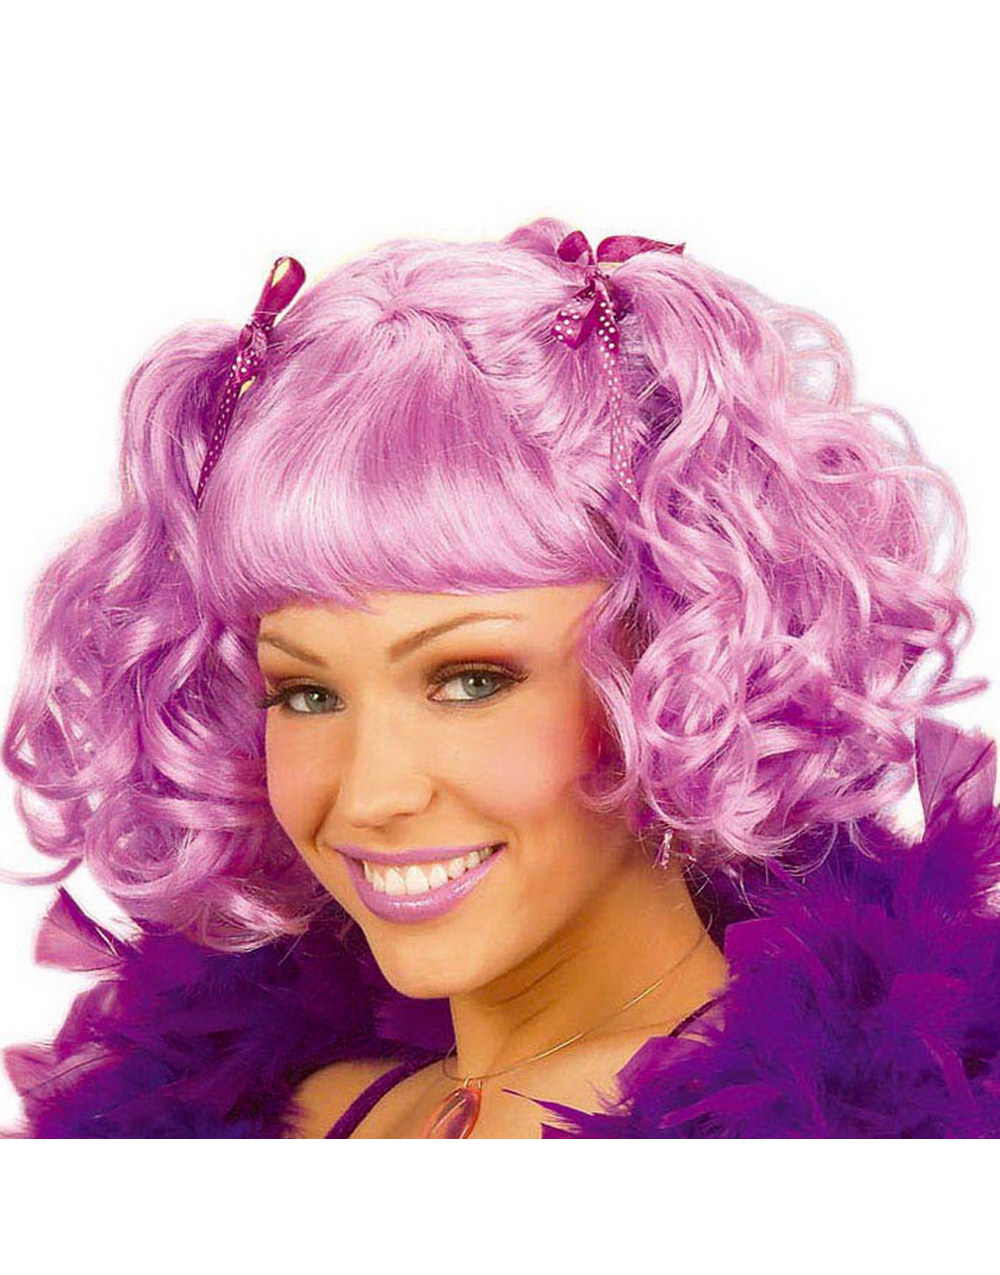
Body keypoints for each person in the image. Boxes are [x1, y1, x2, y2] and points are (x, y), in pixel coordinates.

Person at [2, 219, 998, 1139]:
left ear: (675, 677)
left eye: (468, 679)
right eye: (308, 693)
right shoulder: (259, 1117)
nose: (371, 792)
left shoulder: (857, 1136)